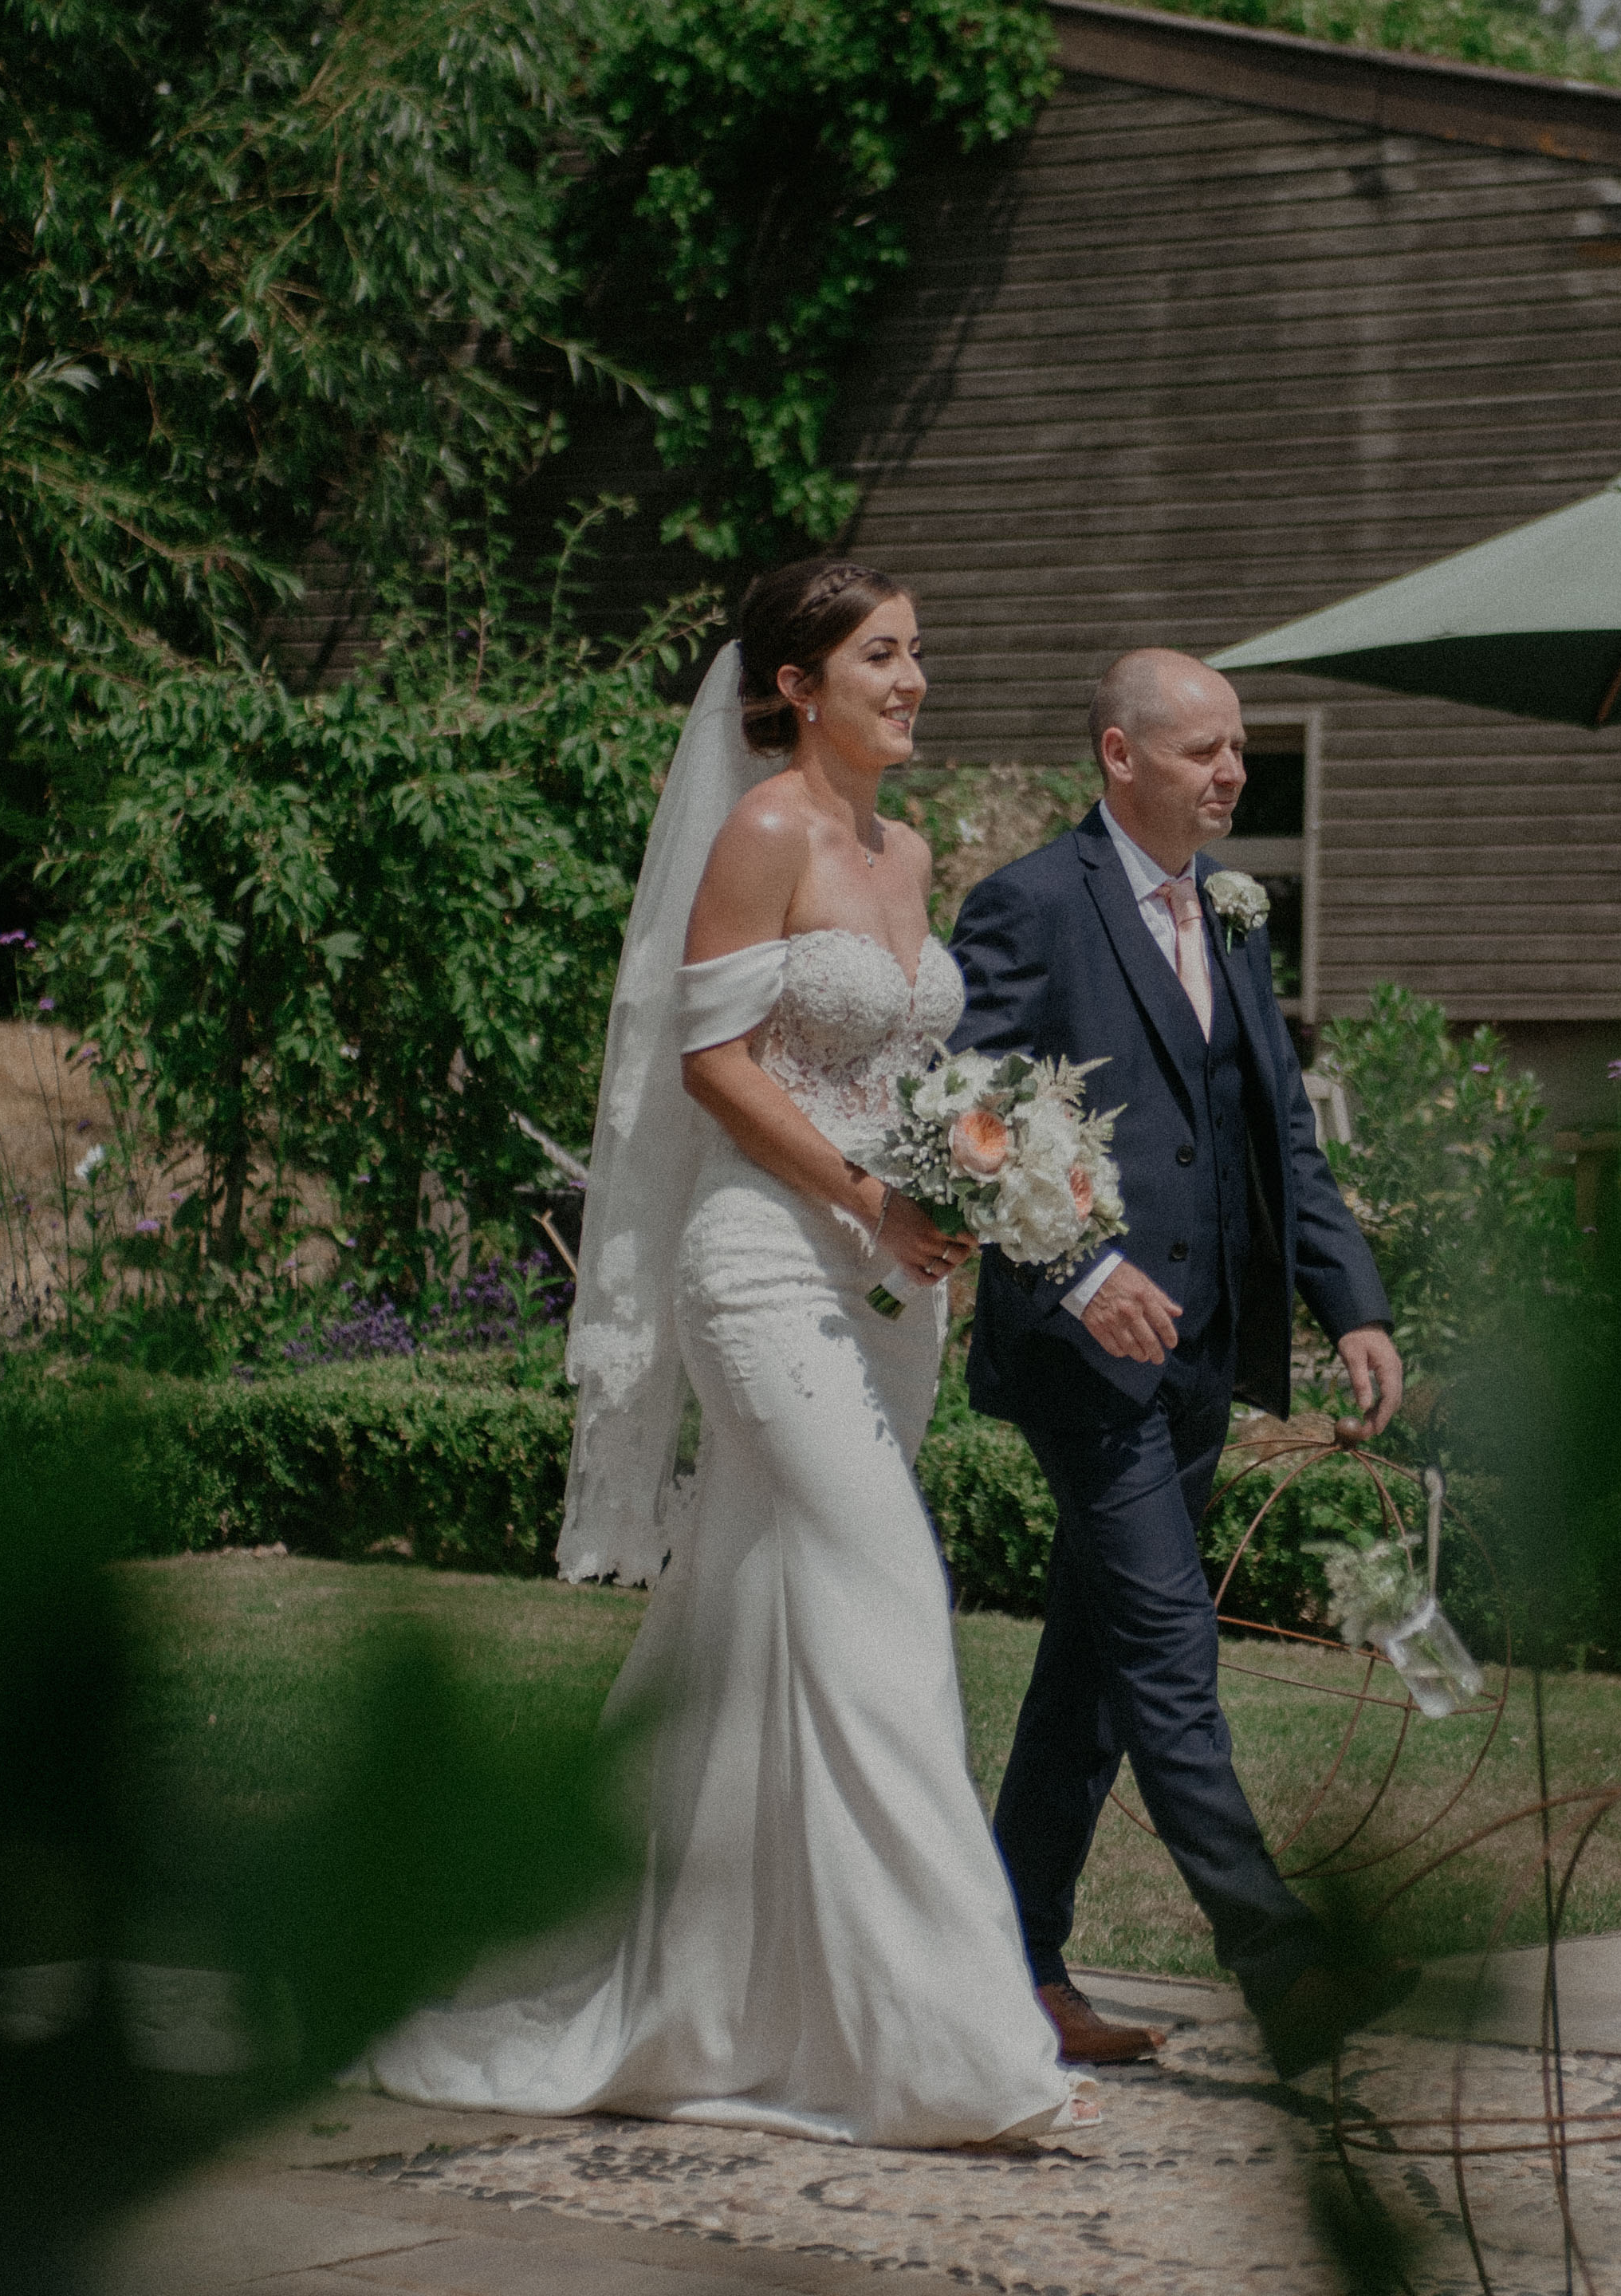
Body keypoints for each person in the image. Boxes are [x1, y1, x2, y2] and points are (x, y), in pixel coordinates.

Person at [368, 563, 1088, 2148]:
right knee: (889, 1589)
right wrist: (865, 1192)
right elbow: (706, 1061)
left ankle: (731, 2004)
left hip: (898, 1287)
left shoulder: (905, 849)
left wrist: (981, 1167)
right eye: (882, 655)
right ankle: (961, 2037)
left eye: (917, 652)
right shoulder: (765, 830)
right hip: (767, 1262)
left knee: (766, 1617)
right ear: (791, 684)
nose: (914, 678)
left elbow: (907, 1063)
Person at [949, 648, 1413, 2077]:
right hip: (1086, 1357)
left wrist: (1354, 1303)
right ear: (1119, 756)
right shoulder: (1030, 904)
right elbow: (963, 1115)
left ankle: (1012, 1966)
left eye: (1239, 750)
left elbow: (1277, 1131)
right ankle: (1283, 1963)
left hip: (1210, 1351)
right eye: (1203, 749)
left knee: (1091, 1674)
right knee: (1166, 1648)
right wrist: (1080, 1270)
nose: (1231, 772)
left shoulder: (1232, 913)